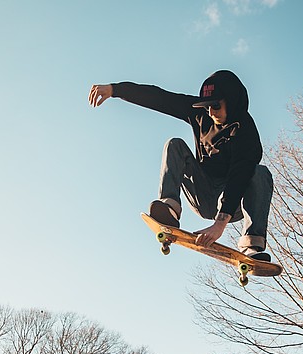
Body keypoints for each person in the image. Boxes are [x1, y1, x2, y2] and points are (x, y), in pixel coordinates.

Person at [89, 70, 273, 261]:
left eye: (216, 106)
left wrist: (220, 224)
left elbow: (240, 176)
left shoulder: (245, 131)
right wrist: (115, 90)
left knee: (260, 173)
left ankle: (252, 245)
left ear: (233, 101)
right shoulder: (200, 114)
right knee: (175, 144)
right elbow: (161, 98)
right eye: (207, 106)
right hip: (202, 192)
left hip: (232, 201)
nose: (210, 112)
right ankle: (170, 207)